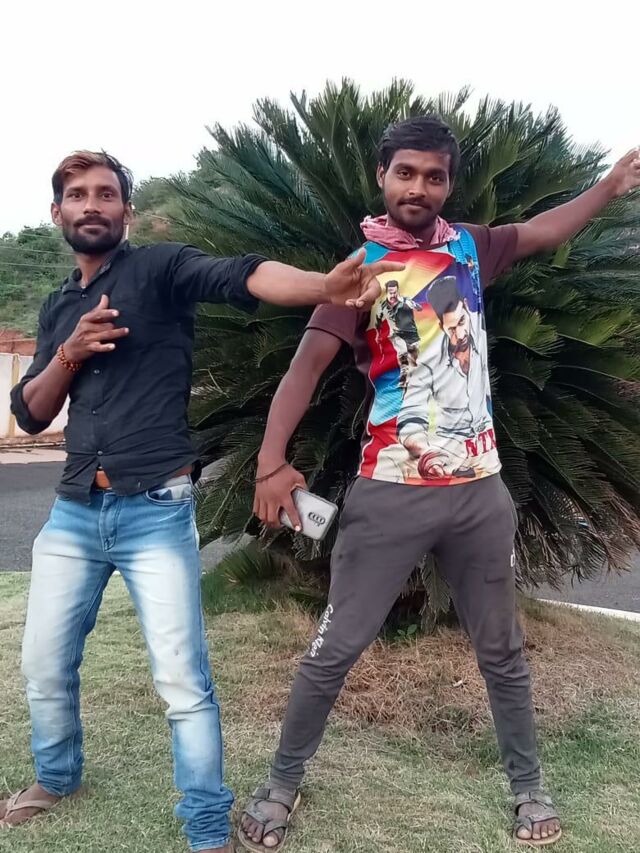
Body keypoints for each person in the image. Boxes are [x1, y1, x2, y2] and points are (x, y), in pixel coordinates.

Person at [238, 118, 640, 850]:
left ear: (448, 183)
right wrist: (270, 460)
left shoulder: (470, 247)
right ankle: (280, 784)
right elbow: (305, 368)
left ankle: (529, 787)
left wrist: (608, 188)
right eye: (406, 173)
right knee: (335, 648)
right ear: (382, 176)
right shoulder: (358, 270)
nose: (418, 187)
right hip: (389, 493)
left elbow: (542, 231)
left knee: (502, 650)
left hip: (480, 495)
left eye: (434, 176)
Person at [1, 150, 402, 853]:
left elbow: (242, 273)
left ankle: (208, 826)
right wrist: (70, 352)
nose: (92, 204)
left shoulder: (160, 269)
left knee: (182, 681)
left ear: (127, 211)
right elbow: (30, 413)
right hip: (73, 512)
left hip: (155, 510)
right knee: (43, 664)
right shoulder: (60, 306)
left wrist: (322, 285)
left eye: (106, 194)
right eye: (78, 194)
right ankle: (57, 776)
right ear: (57, 212)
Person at [375, 279, 422, 391]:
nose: (393, 295)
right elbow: (378, 321)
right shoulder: (382, 306)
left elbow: (419, 308)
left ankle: (414, 382)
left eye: (395, 292)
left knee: (413, 361)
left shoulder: (406, 301)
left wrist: (413, 304)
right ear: (387, 292)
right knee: (403, 353)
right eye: (390, 293)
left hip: (412, 335)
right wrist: (378, 335)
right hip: (396, 334)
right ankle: (403, 380)